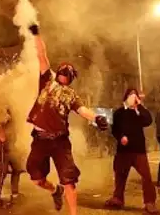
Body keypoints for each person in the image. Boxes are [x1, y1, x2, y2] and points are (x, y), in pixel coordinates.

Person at [25, 24, 109, 215]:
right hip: (40, 139)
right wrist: (37, 34)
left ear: (71, 78)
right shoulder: (46, 80)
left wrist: (96, 117)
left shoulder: (71, 94)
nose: (65, 73)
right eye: (63, 70)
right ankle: (55, 190)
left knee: (69, 179)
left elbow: (82, 110)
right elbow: (42, 55)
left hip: (60, 141)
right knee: (36, 179)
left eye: (68, 72)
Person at [105, 88, 158, 213]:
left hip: (138, 150)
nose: (133, 97)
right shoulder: (118, 113)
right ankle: (118, 198)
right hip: (123, 151)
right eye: (131, 95)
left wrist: (139, 106)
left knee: (146, 177)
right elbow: (114, 130)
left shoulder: (138, 112)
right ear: (126, 97)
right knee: (120, 176)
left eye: (135, 95)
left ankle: (149, 202)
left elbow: (148, 121)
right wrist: (121, 137)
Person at [0, 109, 24, 209]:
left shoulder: (5, 99)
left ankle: (15, 194)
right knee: (2, 170)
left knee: (17, 167)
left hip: (8, 141)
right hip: (1, 142)